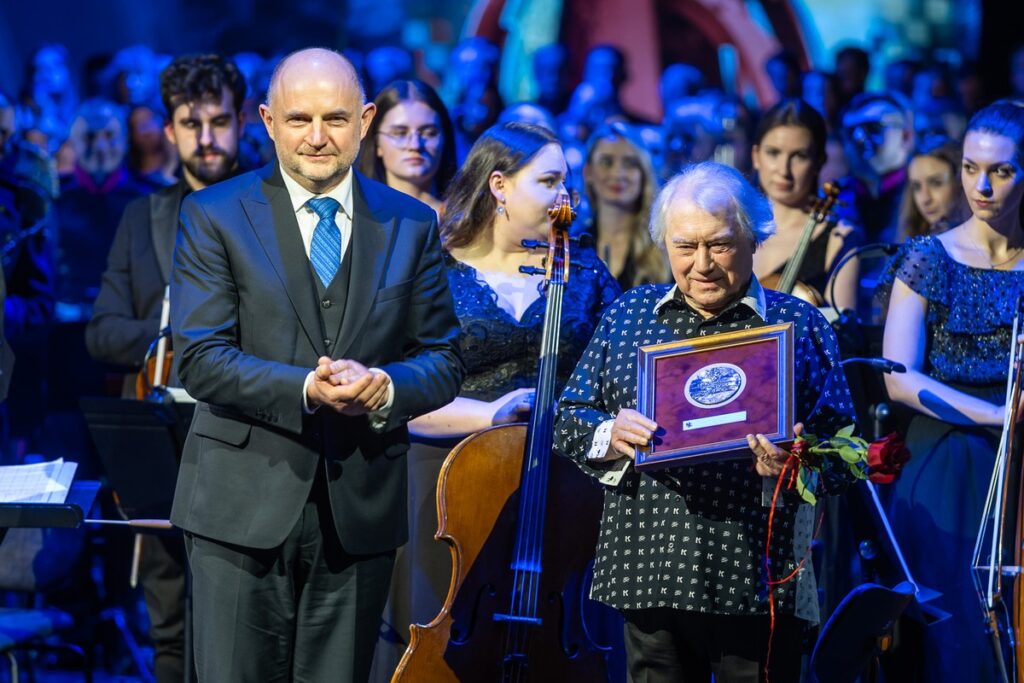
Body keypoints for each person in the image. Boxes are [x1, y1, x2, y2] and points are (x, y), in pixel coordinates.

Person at [169, 47, 463, 682]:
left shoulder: (410, 223)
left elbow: (443, 358)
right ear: (268, 121)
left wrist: (387, 386)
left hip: (359, 508)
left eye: (335, 118)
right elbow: (200, 358)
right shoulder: (214, 215)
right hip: (238, 510)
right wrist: (305, 387)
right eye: (299, 119)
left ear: (365, 121)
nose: (317, 137)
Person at [555, 161, 857, 682]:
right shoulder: (631, 315)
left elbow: (847, 453)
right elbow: (567, 421)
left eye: (718, 245)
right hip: (649, 566)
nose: (702, 265)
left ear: (754, 239)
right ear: (664, 246)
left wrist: (797, 464)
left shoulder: (799, 324)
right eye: (684, 247)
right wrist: (612, 432)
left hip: (756, 575)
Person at [369, 122, 622, 680]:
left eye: (567, 182)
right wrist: (488, 414)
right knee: (450, 632)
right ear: (500, 185)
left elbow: (621, 378)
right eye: (550, 180)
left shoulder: (585, 273)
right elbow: (396, 391)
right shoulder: (433, 270)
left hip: (565, 485)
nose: (565, 196)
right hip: (448, 482)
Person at [85, 53, 248, 682]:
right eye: (190, 122)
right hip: (157, 442)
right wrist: (173, 335)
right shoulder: (141, 216)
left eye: (219, 121)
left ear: (242, 121)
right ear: (170, 129)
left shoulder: (269, 207)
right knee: (169, 621)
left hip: (240, 434)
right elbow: (101, 332)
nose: (206, 138)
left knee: (238, 622)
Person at [879, 100, 1024, 683]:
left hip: (1017, 463)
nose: (981, 186)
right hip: (947, 456)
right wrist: (995, 414)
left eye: (1002, 171)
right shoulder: (927, 257)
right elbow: (897, 375)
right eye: (969, 168)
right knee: (957, 635)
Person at [751, 98, 861, 311]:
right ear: (756, 156)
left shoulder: (839, 240)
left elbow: (840, 337)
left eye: (799, 156)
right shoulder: (732, 229)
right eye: (773, 153)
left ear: (819, 162)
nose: (784, 170)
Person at [581, 121, 668, 288]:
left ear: (643, 173)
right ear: (588, 172)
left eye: (629, 164)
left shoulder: (664, 245)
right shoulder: (575, 244)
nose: (617, 173)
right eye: (606, 162)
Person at [357, 80, 456, 215]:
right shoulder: (354, 215)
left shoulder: (465, 223)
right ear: (377, 143)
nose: (415, 145)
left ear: (445, 138)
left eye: (429, 133)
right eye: (400, 133)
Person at [896, 135, 969, 241]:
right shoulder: (911, 247)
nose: (925, 199)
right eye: (916, 187)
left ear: (960, 181)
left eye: (936, 183)